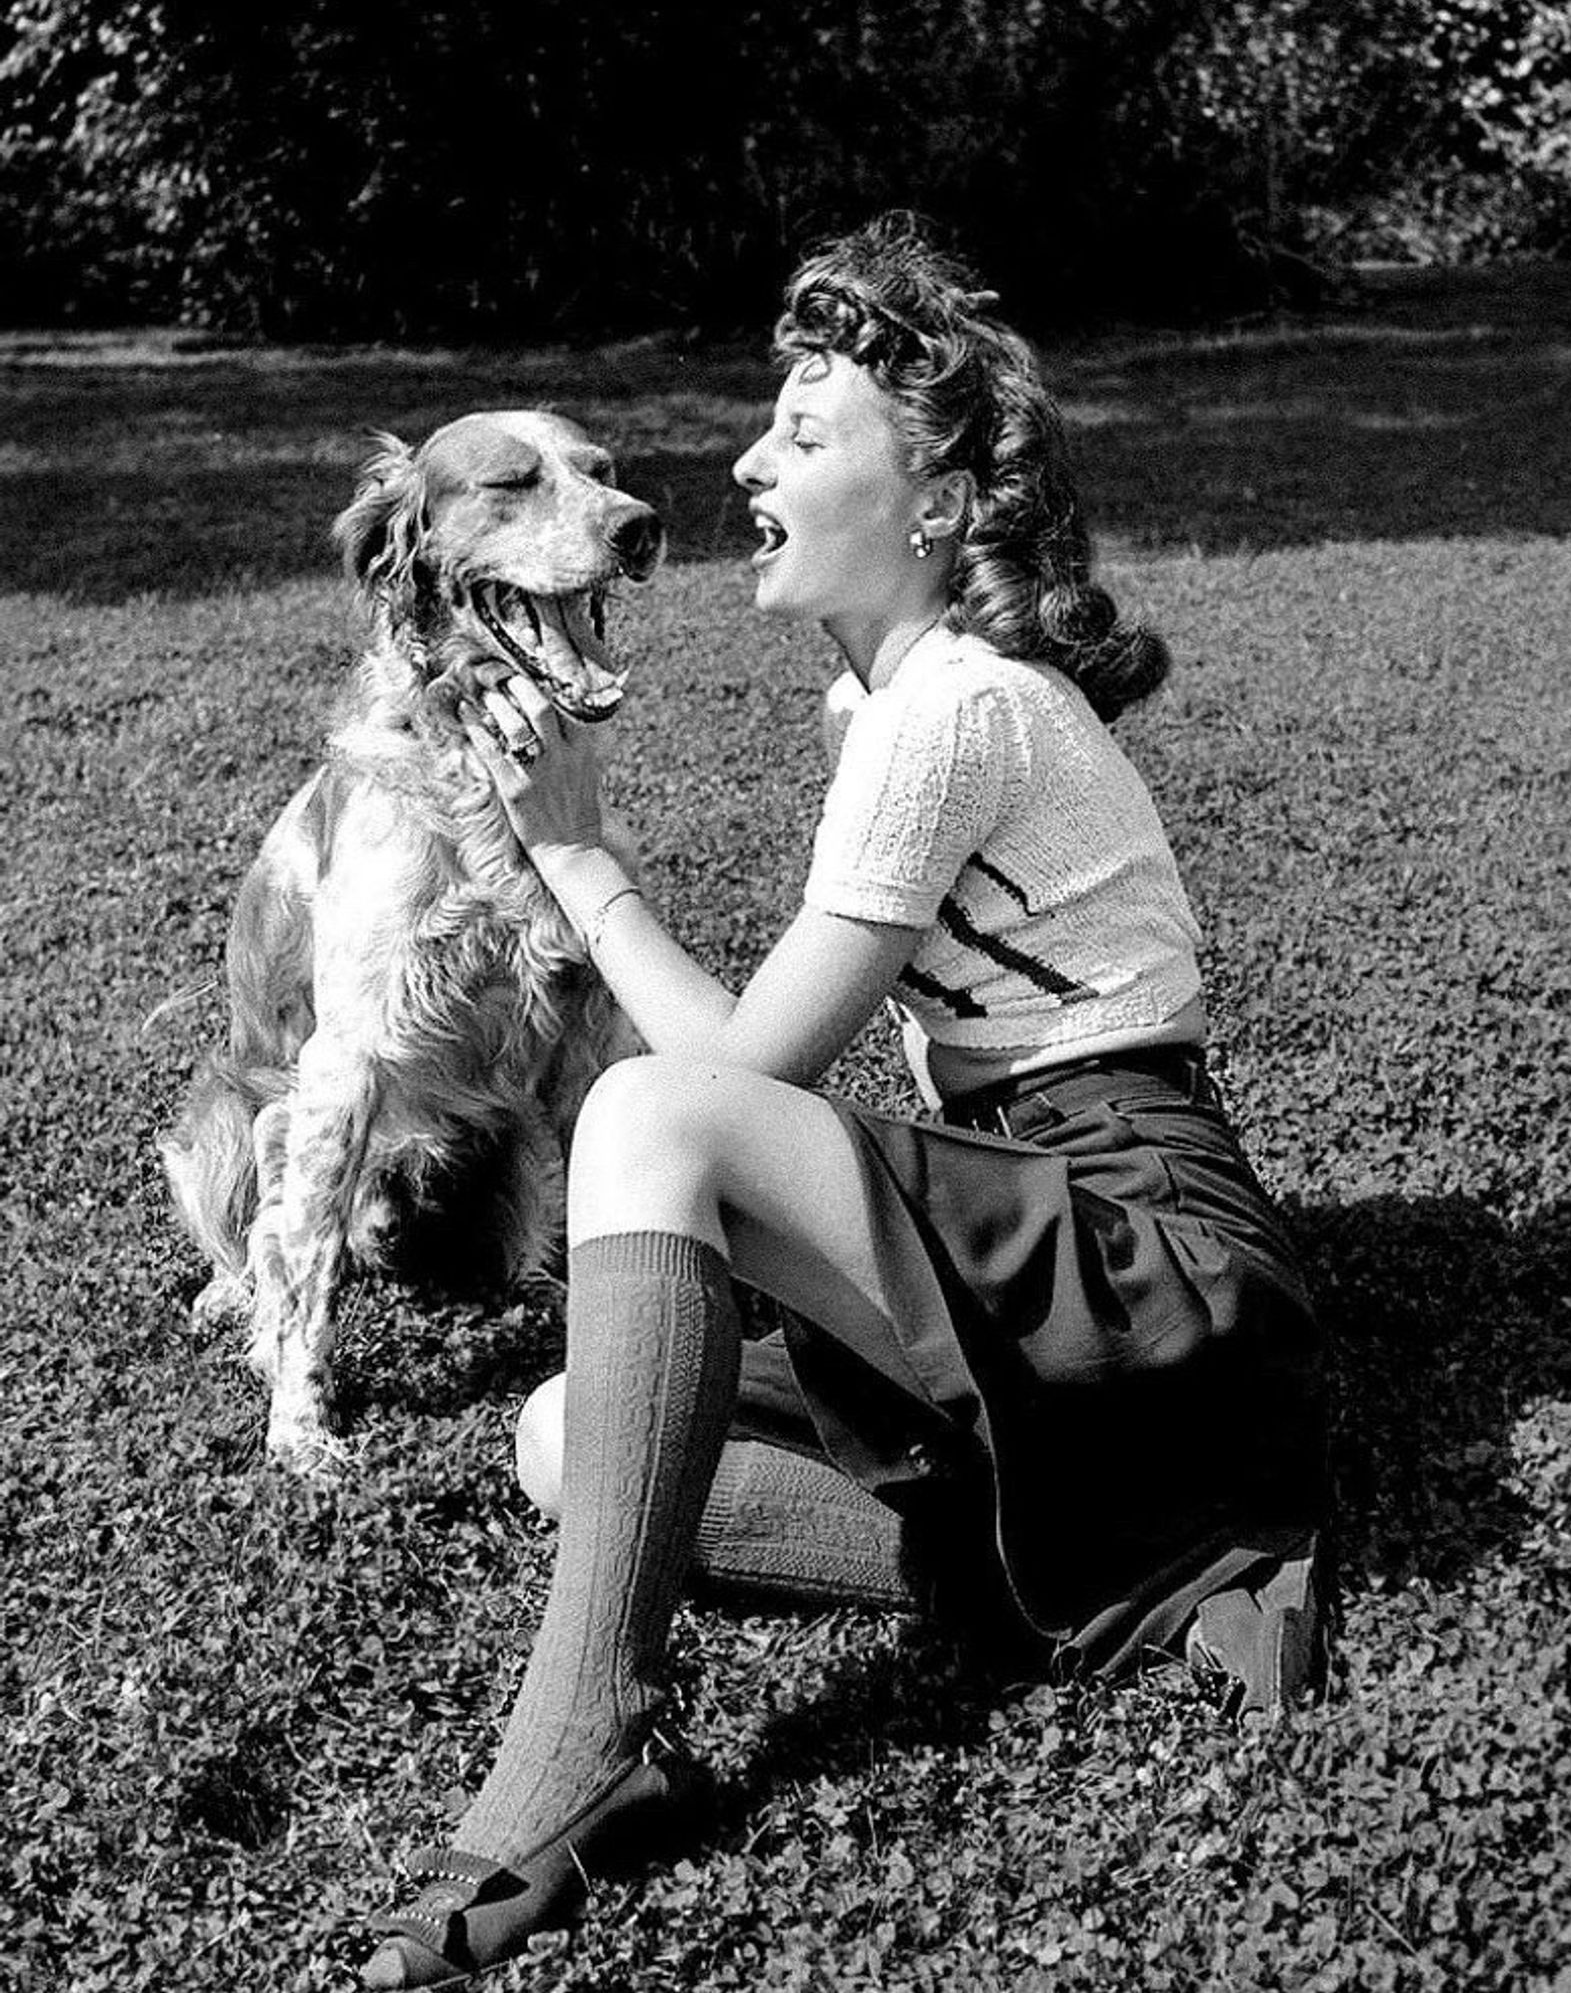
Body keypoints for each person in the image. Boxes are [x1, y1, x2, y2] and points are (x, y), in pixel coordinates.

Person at [360, 211, 1326, 1990]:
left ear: (940, 501)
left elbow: (734, 1080)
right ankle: (1116, 1566)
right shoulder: (872, 704)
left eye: (804, 436)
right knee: (566, 1441)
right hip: (1034, 1259)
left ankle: (588, 1742)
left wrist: (575, 859)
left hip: (1148, 1263)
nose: (742, 461)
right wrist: (576, 863)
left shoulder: (949, 707)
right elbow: (751, 1064)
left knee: (656, 1117)